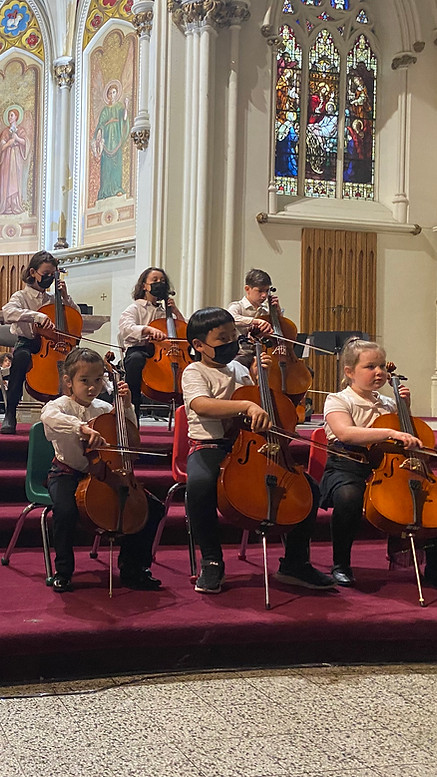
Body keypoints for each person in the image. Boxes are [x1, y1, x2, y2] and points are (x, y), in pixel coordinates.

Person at [181, 306, 335, 594]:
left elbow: (265, 404)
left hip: (252, 444)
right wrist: (246, 404)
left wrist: (262, 377)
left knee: (309, 489)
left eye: (232, 336)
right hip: (210, 445)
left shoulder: (240, 369)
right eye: (221, 339)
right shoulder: (194, 371)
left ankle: (295, 562)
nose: (230, 343)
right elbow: (201, 405)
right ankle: (212, 561)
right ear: (199, 345)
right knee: (200, 486)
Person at [41, 347, 163, 593]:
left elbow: (127, 437)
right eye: (84, 381)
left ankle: (134, 568)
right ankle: (63, 571)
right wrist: (82, 428)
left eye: (98, 380)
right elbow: (50, 420)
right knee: (64, 511)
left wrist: (126, 407)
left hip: (105, 472)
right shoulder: (59, 406)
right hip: (68, 472)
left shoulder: (105, 409)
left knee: (153, 508)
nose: (91, 387)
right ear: (69, 381)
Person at [320, 337, 437, 587]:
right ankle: (341, 563)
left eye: (382, 366)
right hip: (348, 465)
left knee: (430, 497)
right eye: (371, 366)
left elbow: (409, 438)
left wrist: (404, 410)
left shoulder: (388, 403)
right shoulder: (338, 399)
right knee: (349, 496)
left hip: (387, 467)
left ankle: (434, 567)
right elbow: (346, 433)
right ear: (349, 371)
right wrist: (391, 432)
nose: (380, 372)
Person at [1, 251, 80, 435]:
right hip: (28, 343)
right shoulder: (21, 296)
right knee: (20, 358)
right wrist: (36, 315)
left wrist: (66, 297)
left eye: (53, 274)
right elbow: (8, 312)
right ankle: (10, 413)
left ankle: (65, 414)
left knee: (72, 364)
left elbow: (75, 316)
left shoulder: (54, 299)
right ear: (32, 272)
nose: (50, 278)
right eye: (46, 274)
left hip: (53, 346)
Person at [118, 267, 186, 423]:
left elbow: (184, 330)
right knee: (135, 359)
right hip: (140, 350)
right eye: (154, 280)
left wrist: (175, 311)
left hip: (164, 354)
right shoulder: (135, 308)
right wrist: (147, 329)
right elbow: (125, 328)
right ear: (144, 286)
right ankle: (133, 403)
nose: (159, 283)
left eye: (162, 281)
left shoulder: (165, 312)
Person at [227, 268, 280, 370]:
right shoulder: (238, 306)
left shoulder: (266, 312)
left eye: (266, 291)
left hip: (262, 354)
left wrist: (276, 313)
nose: (264, 295)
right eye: (260, 291)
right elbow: (230, 318)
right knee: (236, 366)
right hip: (242, 354)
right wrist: (255, 321)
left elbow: (278, 332)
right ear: (247, 289)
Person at [91, 82, 130, 201]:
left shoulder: (119, 107)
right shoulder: (104, 110)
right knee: (106, 166)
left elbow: (124, 119)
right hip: (107, 139)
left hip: (116, 138)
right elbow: (100, 124)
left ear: (116, 94)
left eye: (114, 93)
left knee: (116, 163)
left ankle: (117, 188)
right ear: (107, 95)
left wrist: (126, 107)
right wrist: (99, 132)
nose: (112, 95)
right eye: (110, 93)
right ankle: (105, 191)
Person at [0, 105, 29, 215]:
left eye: (11, 115)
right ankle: (6, 204)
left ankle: (15, 204)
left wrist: (17, 138)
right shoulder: (5, 132)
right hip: (7, 159)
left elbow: (26, 142)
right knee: (6, 180)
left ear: (16, 117)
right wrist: (8, 143)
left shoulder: (21, 130)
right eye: (8, 116)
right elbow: (1, 146)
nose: (9, 117)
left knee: (15, 180)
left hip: (17, 158)